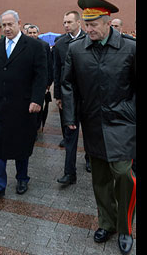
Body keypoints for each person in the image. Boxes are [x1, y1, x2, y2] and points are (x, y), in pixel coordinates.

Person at [61, 0, 136, 255]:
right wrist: (70, 117)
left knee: (124, 173)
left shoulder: (130, 48)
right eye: (87, 24)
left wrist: (130, 112)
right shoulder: (77, 49)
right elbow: (68, 84)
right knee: (100, 178)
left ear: (107, 24)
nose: (89, 29)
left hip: (123, 123)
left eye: (94, 25)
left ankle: (125, 228)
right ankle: (107, 223)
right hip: (93, 122)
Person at [0, 9, 47, 199]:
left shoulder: (34, 46)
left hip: (24, 105)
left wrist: (37, 99)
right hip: (0, 104)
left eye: (10, 24)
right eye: (4, 25)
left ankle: (22, 178)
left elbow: (41, 75)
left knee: (21, 142)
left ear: (19, 23)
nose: (7, 28)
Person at [53, 10, 90, 185]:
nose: (66, 25)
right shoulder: (60, 44)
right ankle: (69, 172)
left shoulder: (89, 40)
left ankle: (90, 159)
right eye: (64, 23)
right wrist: (58, 96)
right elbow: (57, 71)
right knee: (70, 135)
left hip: (89, 96)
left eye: (69, 22)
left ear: (78, 22)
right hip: (69, 97)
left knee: (90, 132)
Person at [25, 24, 54, 132]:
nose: (32, 35)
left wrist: (48, 83)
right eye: (30, 33)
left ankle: (36, 127)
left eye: (34, 33)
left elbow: (49, 65)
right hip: (26, 82)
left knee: (39, 105)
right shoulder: (23, 45)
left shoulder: (44, 45)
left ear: (38, 33)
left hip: (40, 82)